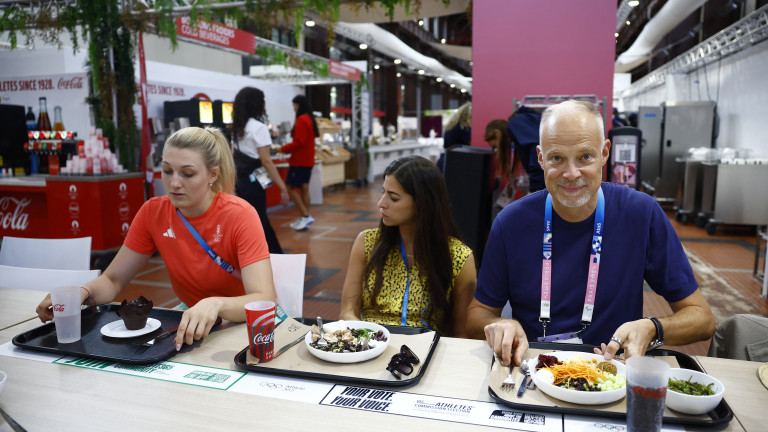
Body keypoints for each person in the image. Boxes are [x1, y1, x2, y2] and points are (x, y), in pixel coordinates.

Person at [466, 100, 715, 367]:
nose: (571, 174)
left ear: (605, 152)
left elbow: (702, 319)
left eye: (585, 157)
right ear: (540, 158)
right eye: (557, 158)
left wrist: (653, 328)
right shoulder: (510, 223)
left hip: (611, 373)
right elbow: (476, 316)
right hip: (534, 369)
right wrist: (501, 324)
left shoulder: (641, 214)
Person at [35, 127, 277, 350]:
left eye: (188, 174)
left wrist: (217, 304)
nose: (174, 183)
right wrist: (83, 292)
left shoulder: (240, 215)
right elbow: (113, 280)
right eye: (167, 170)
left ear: (213, 174)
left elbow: (264, 298)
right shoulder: (153, 212)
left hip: (240, 323)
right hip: (192, 323)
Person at [340, 155, 476, 337]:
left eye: (393, 198)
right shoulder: (367, 243)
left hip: (425, 352)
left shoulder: (458, 256)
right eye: (383, 192)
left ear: (423, 203)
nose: (381, 203)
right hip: (371, 347)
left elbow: (461, 332)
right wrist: (369, 341)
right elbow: (348, 312)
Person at [231, 86, 289, 253]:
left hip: (239, 182)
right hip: (254, 184)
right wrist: (283, 187)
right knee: (261, 224)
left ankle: (247, 258)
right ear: (258, 104)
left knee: (244, 224)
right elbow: (266, 161)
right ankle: (276, 258)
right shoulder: (259, 127)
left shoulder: (238, 128)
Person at [280, 94, 319, 231]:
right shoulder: (309, 118)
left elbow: (299, 142)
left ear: (299, 105)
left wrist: (282, 148)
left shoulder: (302, 119)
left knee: (289, 187)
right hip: (307, 161)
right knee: (304, 188)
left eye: (294, 105)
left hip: (299, 161)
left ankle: (305, 215)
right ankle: (305, 217)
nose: (294, 108)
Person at [507, 106, 546, 192]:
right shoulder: (535, 118)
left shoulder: (515, 122)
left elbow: (535, 147)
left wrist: (535, 188)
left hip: (541, 182)